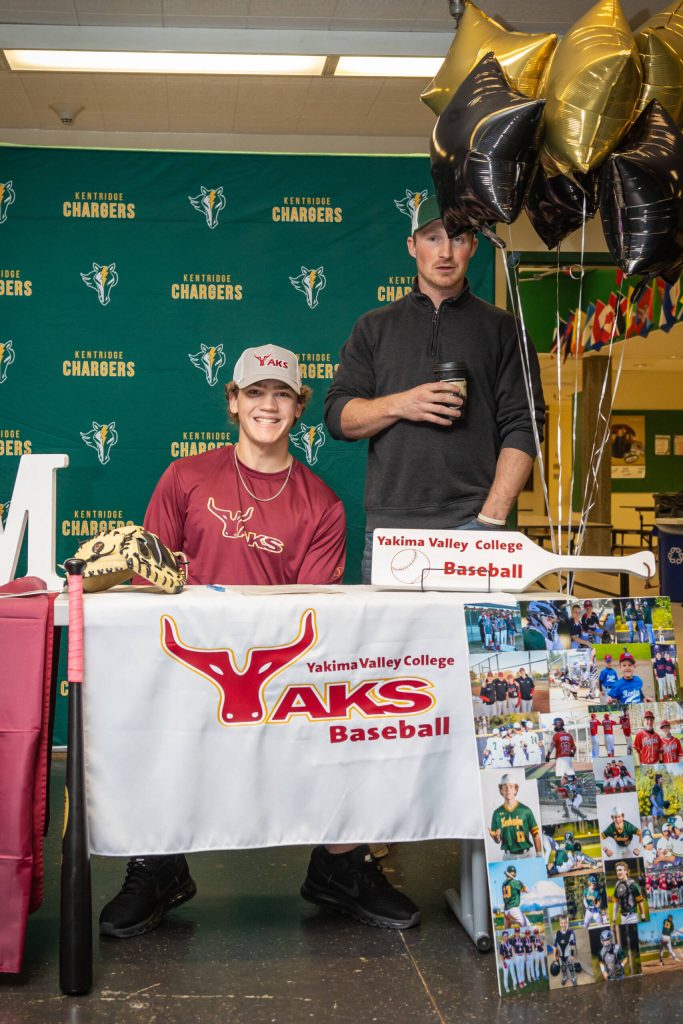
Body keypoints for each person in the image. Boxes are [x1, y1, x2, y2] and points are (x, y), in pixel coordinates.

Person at [97, 345, 419, 939]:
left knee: (351, 716)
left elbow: (309, 617)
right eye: (254, 392)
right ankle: (157, 864)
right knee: (142, 716)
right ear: (233, 401)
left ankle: (340, 865)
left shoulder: (320, 504)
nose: (266, 404)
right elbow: (147, 573)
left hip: (275, 673)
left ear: (299, 407)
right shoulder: (186, 477)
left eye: (280, 394)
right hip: (186, 661)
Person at [323, 194, 545, 583]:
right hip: (391, 531)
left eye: (458, 238)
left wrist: (491, 518)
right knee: (389, 646)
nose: (445, 252)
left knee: (477, 643)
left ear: (473, 247)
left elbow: (524, 426)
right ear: (412, 246)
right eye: (432, 238)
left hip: (475, 525)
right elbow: (338, 418)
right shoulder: (374, 327)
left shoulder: (503, 329)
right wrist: (402, 404)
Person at [489, 774, 542, 859]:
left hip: (526, 855)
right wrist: (496, 838)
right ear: (501, 790)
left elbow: (535, 834)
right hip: (508, 856)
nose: (508, 790)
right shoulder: (497, 813)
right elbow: (498, 840)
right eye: (505, 786)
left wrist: (539, 855)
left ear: (515, 790)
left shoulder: (525, 810)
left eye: (511, 786)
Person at [610, 861, 646, 925]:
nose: (618, 872)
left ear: (626, 871)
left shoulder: (633, 885)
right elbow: (616, 903)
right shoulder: (617, 885)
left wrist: (643, 918)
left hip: (632, 917)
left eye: (620, 870)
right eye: (617, 870)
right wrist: (614, 920)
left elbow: (640, 902)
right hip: (622, 918)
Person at [553, 915, 578, 986]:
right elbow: (555, 946)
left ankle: (573, 977)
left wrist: (572, 955)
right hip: (561, 955)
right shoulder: (557, 934)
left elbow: (573, 945)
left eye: (565, 923)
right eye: (562, 923)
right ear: (560, 923)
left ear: (567, 923)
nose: (564, 924)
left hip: (568, 954)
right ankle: (565, 977)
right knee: (563, 967)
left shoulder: (570, 933)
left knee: (570, 966)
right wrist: (555, 956)